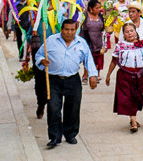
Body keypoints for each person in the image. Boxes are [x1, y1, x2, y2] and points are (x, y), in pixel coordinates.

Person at [35, 19, 98, 148]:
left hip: (73, 79)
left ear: (76, 30)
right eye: (67, 29)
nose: (69, 32)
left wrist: (92, 75)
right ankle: (54, 137)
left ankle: (70, 134)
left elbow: (88, 60)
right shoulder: (51, 40)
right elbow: (39, 55)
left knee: (73, 108)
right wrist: (42, 61)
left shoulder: (81, 43)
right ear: (61, 30)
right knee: (53, 108)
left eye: (72, 30)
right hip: (53, 80)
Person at [105, 23, 143, 133]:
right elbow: (114, 61)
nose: (130, 33)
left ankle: (132, 116)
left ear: (136, 32)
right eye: (127, 31)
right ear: (123, 34)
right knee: (128, 97)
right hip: (125, 75)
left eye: (132, 31)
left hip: (141, 75)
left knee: (137, 97)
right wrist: (108, 75)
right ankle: (133, 121)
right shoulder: (120, 45)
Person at [80, 0, 106, 83]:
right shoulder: (85, 15)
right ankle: (85, 75)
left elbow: (103, 28)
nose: (99, 10)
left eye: (99, 8)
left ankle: (95, 75)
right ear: (90, 8)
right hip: (88, 39)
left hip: (98, 39)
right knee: (88, 57)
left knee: (98, 58)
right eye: (96, 8)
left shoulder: (100, 16)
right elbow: (81, 27)